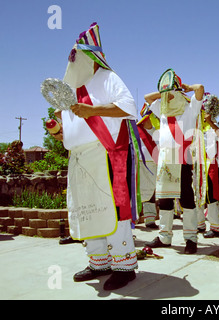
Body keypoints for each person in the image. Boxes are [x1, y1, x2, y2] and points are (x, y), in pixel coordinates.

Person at [51, 23, 139, 290]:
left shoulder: (108, 77)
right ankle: (98, 262)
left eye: (76, 56)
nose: (71, 61)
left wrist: (92, 110)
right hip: (80, 158)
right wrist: (57, 130)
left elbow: (129, 107)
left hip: (106, 155)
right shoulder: (70, 91)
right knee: (88, 210)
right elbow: (70, 132)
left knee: (113, 210)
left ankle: (124, 266)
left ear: (90, 57)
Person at [143, 68, 204, 254]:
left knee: (186, 199)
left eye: (171, 92)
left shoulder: (190, 108)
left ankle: (191, 239)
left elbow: (200, 88)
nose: (167, 97)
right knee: (165, 200)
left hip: (183, 160)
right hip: (165, 161)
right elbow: (147, 98)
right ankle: (164, 237)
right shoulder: (162, 110)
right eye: (165, 93)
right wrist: (165, 92)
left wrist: (185, 87)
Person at [197, 94, 219, 238]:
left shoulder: (215, 126)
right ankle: (199, 224)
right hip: (199, 166)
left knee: (211, 196)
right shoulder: (198, 127)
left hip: (211, 165)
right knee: (198, 195)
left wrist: (211, 122)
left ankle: (216, 227)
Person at [136, 103, 160, 229]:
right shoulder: (137, 131)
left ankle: (150, 219)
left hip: (154, 165)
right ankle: (133, 218)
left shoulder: (158, 132)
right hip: (140, 164)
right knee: (138, 192)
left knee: (151, 192)